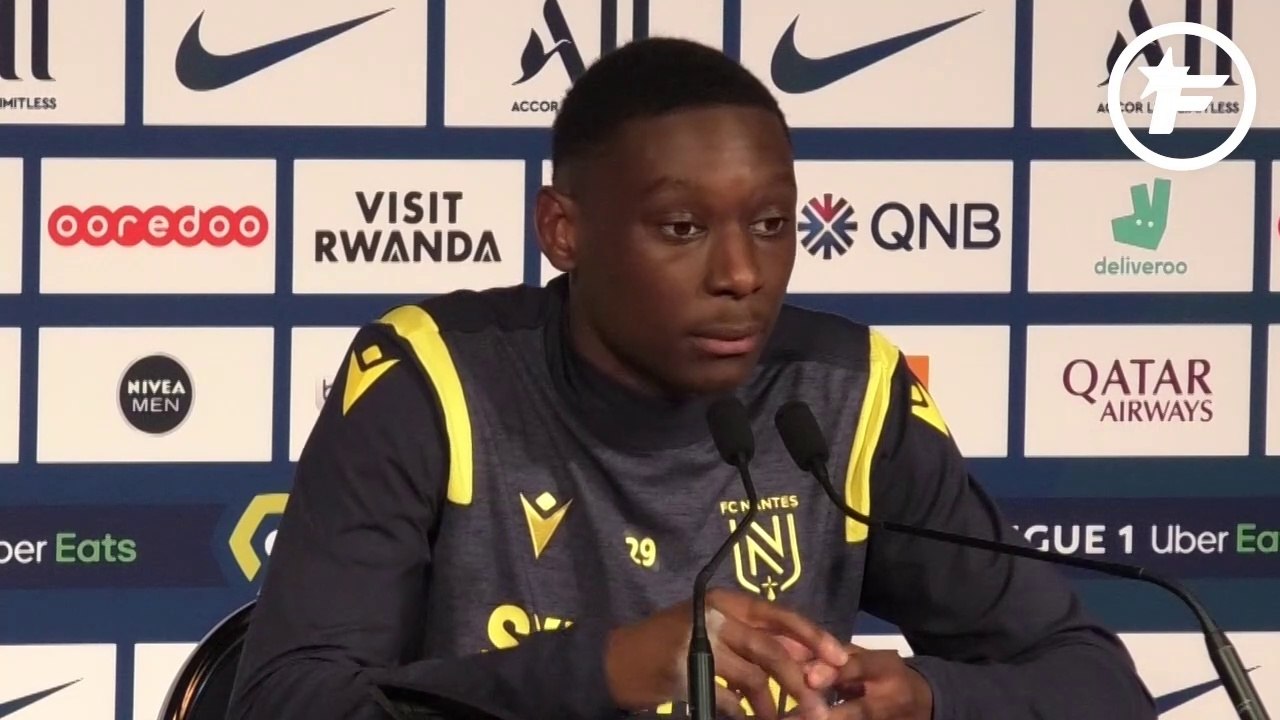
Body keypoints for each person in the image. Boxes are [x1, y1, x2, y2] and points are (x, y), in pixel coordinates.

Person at [226, 37, 1157, 720]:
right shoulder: (430, 380)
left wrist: (927, 698)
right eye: (682, 228)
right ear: (563, 231)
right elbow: (283, 700)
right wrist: (605, 672)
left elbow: (1097, 685)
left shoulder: (845, 396)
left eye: (771, 224)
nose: (742, 274)